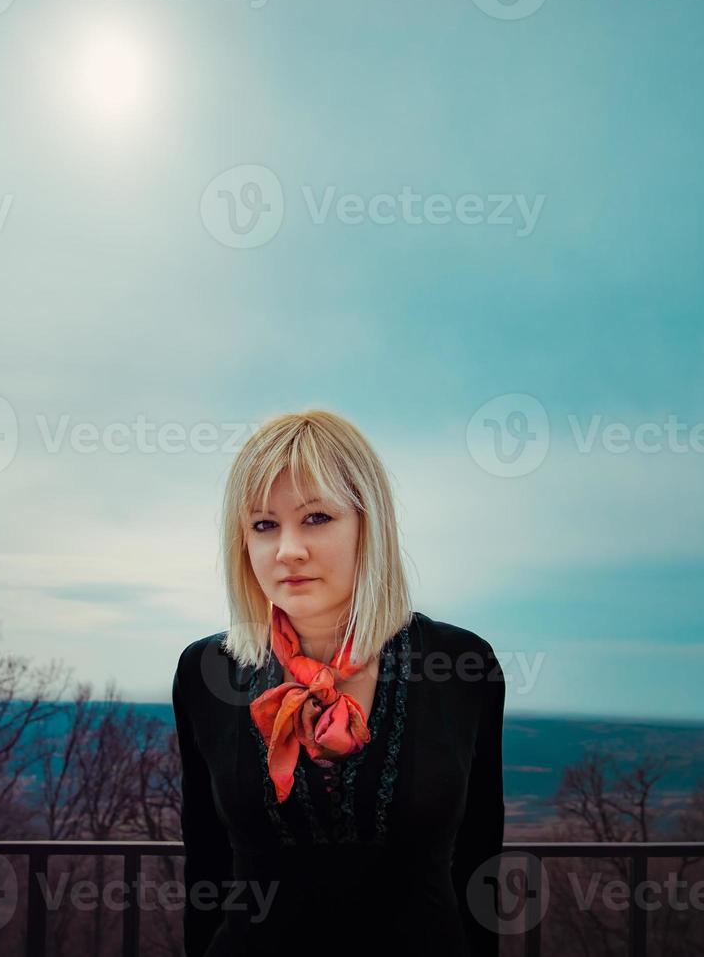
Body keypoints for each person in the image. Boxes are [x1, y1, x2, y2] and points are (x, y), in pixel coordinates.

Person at [171, 409, 506, 957]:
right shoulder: (207, 671)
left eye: (317, 518)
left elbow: (479, 861)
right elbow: (205, 862)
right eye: (263, 525)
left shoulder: (462, 663)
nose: (288, 550)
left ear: (367, 524)